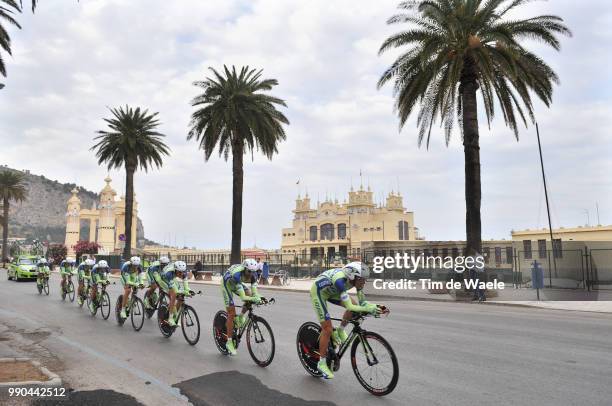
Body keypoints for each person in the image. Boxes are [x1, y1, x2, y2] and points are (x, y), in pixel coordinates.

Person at [310, 261, 382, 379]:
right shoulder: (340, 281)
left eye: (365, 279)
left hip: (333, 293)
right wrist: (368, 309)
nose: (364, 282)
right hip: (319, 293)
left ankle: (340, 330)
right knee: (327, 329)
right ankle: (321, 363)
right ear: (352, 276)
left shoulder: (356, 283)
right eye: (362, 279)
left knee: (354, 305)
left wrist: (376, 307)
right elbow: (350, 307)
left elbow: (362, 303)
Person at [221, 258, 262, 356]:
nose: (251, 274)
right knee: (231, 313)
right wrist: (254, 299)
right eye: (249, 271)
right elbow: (243, 297)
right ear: (244, 269)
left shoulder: (254, 275)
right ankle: (229, 342)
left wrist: (259, 297)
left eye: (253, 271)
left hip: (237, 284)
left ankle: (240, 316)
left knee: (251, 296)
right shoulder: (237, 275)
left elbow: (254, 293)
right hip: (227, 285)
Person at [155, 260, 192, 326]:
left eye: (182, 272)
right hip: (163, 280)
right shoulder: (169, 274)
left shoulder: (183, 272)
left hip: (172, 278)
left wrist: (188, 291)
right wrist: (181, 292)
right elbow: (174, 289)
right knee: (174, 295)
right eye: (179, 272)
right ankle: (170, 318)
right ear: (175, 270)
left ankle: (175, 315)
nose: (181, 274)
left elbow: (186, 284)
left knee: (180, 297)